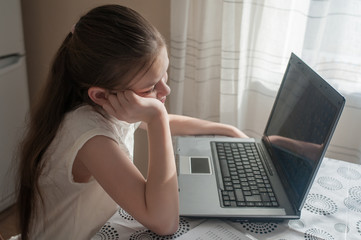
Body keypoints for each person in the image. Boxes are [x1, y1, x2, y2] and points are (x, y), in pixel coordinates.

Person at [16, 4, 247, 240]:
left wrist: (225, 130)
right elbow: (164, 222)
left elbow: (168, 121)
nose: (165, 89)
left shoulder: (107, 105)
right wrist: (156, 117)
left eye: (164, 74)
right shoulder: (88, 136)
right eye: (150, 87)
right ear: (102, 95)